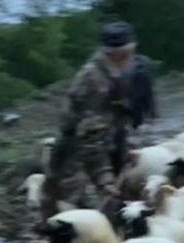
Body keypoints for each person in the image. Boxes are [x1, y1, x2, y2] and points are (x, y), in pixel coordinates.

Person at [42, 21, 139, 219]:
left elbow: (118, 115)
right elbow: (90, 136)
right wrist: (104, 179)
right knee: (78, 222)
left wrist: (127, 146)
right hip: (76, 161)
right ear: (119, 54)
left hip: (101, 151)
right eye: (130, 53)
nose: (133, 57)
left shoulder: (115, 74)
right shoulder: (94, 81)